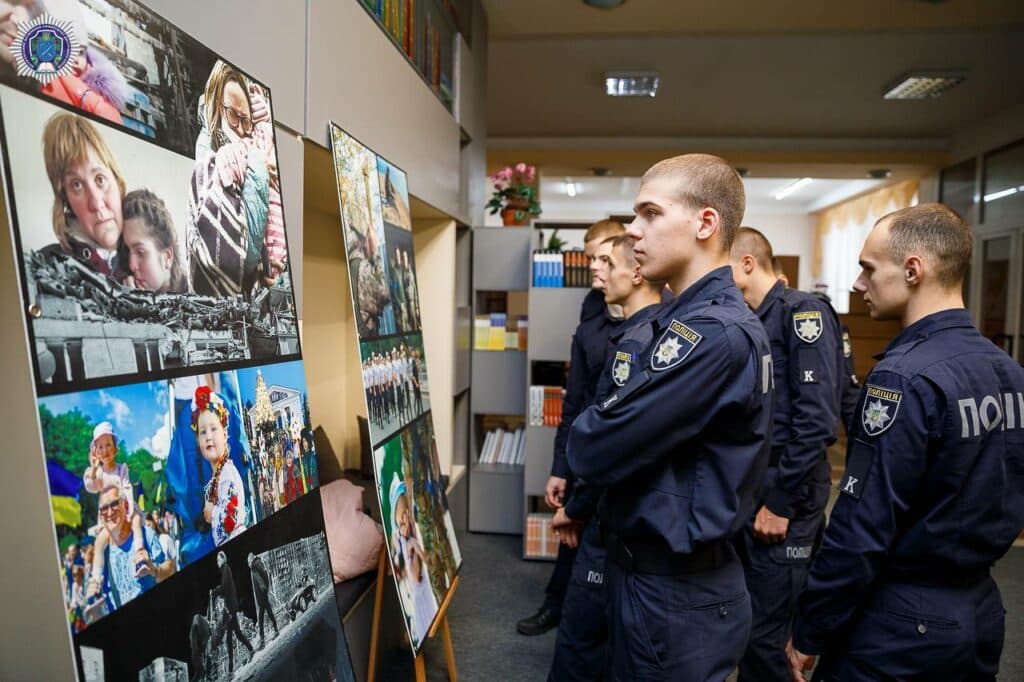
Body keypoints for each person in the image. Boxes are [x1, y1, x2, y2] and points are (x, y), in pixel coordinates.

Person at [787, 204, 1024, 681]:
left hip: (900, 622)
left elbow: (861, 528)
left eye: (868, 268)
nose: (858, 283)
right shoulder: (1008, 372)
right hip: (979, 610)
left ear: (913, 270)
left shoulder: (902, 376)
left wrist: (811, 628)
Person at [568, 154, 774, 680]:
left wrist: (599, 426)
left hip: (677, 593)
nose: (633, 231)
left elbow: (590, 446)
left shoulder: (713, 334)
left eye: (650, 214)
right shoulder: (684, 320)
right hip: (650, 578)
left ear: (705, 223)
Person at [549, 234, 666, 681]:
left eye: (609, 264)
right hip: (624, 517)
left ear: (635, 273)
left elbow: (611, 443)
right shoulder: (648, 332)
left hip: (611, 516)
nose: (600, 274)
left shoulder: (637, 340)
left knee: (582, 642)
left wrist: (574, 508)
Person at [728, 227, 843, 681]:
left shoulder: (802, 314)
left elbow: (815, 422)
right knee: (753, 624)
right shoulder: (753, 317)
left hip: (787, 494)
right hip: (758, 488)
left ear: (748, 264)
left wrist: (779, 503)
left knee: (766, 636)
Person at [517, 219, 626, 637]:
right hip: (587, 444)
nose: (595, 268)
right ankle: (558, 604)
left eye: (603, 258)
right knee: (571, 526)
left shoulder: (655, 318)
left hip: (620, 456)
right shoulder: (591, 311)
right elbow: (576, 395)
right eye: (592, 258)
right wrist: (561, 465)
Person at [187, 60, 286, 299]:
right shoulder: (211, 161)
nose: (242, 129)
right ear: (215, 106)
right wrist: (259, 168)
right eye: (233, 115)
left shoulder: (256, 147)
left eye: (246, 119)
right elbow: (245, 253)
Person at [42, 111, 128, 278]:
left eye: (100, 179)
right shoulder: (47, 268)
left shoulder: (153, 265)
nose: (96, 203)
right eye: (77, 185)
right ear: (66, 200)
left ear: (117, 181)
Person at [83, 421, 146, 597]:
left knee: (136, 523)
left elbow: (127, 488)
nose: (105, 450)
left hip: (124, 509)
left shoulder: (121, 469)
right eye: (100, 447)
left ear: (116, 448)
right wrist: (94, 468)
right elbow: (90, 486)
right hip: (108, 517)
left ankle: (140, 554)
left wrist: (130, 510)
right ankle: (96, 580)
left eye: (108, 445)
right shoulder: (98, 473)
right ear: (95, 452)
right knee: (100, 541)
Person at [89, 485, 173, 611]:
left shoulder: (146, 534)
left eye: (114, 504)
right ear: (101, 516)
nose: (110, 512)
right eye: (104, 508)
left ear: (126, 505)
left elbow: (171, 569)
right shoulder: (103, 556)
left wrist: (155, 570)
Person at [192, 386, 247, 546]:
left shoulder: (228, 473)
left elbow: (229, 520)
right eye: (202, 432)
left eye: (213, 429)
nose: (208, 436)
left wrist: (211, 513)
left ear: (224, 435)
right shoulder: (217, 476)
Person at [120, 189, 188, 293]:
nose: (131, 265)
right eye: (127, 251)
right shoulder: (123, 289)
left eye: (140, 252)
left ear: (167, 257)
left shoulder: (201, 296)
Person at [212, 550, 254, 673]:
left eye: (218, 560)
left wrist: (215, 591)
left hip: (230, 610)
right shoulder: (225, 570)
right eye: (216, 561)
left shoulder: (226, 569)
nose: (217, 562)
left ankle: (231, 669)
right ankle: (249, 651)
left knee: (231, 638)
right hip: (231, 609)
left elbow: (225, 588)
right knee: (234, 635)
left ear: (223, 559)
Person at [248, 551, 280, 648]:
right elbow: (264, 577)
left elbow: (265, 576)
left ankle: (262, 639)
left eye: (248, 562)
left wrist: (265, 588)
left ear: (251, 560)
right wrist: (265, 588)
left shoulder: (256, 566)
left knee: (261, 616)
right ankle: (275, 629)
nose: (248, 564)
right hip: (262, 595)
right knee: (267, 613)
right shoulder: (257, 565)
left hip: (262, 595)